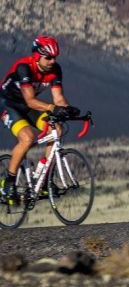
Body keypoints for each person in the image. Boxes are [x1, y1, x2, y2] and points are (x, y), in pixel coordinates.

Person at [1, 36, 77, 203]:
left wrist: (70, 110)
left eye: (55, 57)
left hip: (31, 107)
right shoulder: (24, 68)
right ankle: (9, 181)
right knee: (27, 138)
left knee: (56, 129)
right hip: (8, 105)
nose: (52, 61)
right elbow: (30, 100)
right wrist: (52, 108)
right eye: (48, 57)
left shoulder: (55, 70)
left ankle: (42, 180)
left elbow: (58, 99)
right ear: (37, 56)